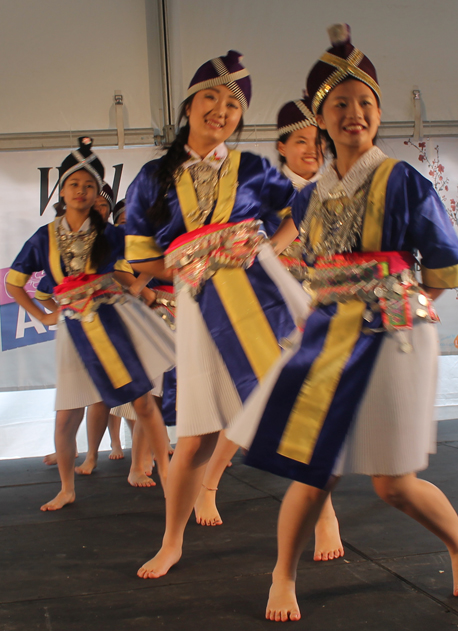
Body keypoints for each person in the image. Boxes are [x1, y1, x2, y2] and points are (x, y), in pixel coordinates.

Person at [227, 24, 458, 621]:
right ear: (320, 118)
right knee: (313, 467)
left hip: (395, 336)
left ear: (379, 112)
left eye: (365, 103)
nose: (354, 113)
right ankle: (282, 574)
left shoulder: (402, 181)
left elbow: (445, 269)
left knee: (393, 484)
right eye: (340, 104)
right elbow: (296, 258)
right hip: (327, 335)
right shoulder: (307, 197)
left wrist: (395, 304)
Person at [125, 50, 309, 578]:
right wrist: (188, 263)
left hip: (261, 295)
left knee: (289, 408)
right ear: (189, 104)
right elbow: (141, 258)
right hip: (200, 303)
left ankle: (322, 526)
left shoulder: (252, 168)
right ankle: (172, 540)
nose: (221, 110)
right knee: (199, 435)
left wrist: (263, 249)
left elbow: (299, 210)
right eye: (211, 97)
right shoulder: (153, 178)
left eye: (232, 104)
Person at [193, 98, 344, 564]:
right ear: (281, 146)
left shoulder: (335, 189)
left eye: (319, 143)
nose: (313, 150)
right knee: (261, 404)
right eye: (301, 142)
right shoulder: (264, 187)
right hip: (267, 306)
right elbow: (246, 239)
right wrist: (274, 252)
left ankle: (218, 483)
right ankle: (215, 486)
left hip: (318, 308)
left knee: (296, 410)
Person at [6, 137, 175, 511]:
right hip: (72, 329)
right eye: (73, 184)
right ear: (61, 190)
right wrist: (45, 314)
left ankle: (167, 474)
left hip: (114, 320)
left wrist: (180, 266)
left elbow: (144, 261)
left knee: (143, 402)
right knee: (67, 416)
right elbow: (14, 283)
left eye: (88, 185)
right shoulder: (44, 237)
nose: (81, 191)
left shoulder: (111, 234)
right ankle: (67, 488)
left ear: (97, 191)